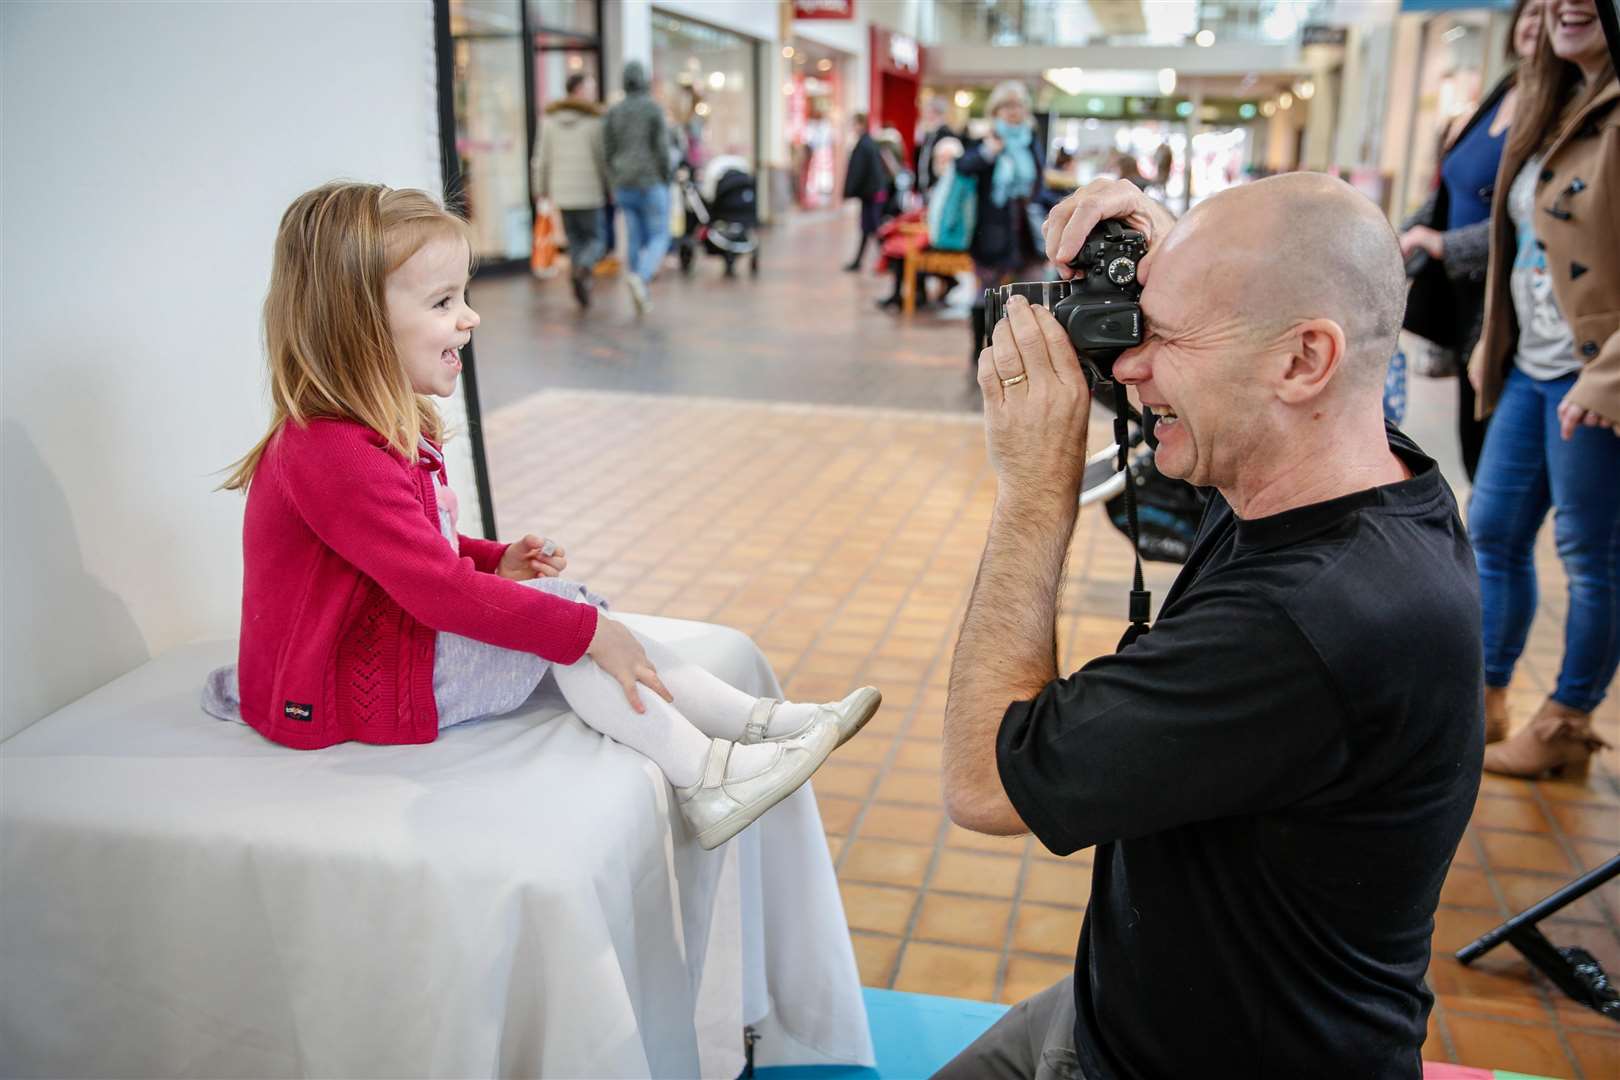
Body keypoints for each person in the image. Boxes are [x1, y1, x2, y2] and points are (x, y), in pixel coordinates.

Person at [936, 173, 1482, 1077]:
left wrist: (1034, 488)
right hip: (1120, 1010)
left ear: (1304, 360)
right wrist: (1170, 259)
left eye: (1171, 335)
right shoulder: (1354, 476)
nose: (1131, 364)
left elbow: (983, 782)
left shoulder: (1311, 623)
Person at [207, 182, 881, 850]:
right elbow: (434, 589)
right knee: (572, 623)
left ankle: (759, 728)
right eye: (443, 302)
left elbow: (405, 551)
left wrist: (491, 559)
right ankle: (711, 769)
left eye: (463, 296)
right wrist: (581, 628)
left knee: (575, 621)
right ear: (357, 324)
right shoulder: (333, 452)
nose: (470, 316)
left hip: (371, 657)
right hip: (341, 690)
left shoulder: (360, 437)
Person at [1467, 0, 1619, 778]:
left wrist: (1610, 374)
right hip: (1532, 365)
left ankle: (1567, 725)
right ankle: (1486, 700)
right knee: (1490, 531)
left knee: (1592, 558)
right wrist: (1493, 344)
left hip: (1593, 374)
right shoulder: (1551, 100)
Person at [1399, 0, 1546, 480]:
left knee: (1492, 463)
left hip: (1506, 303)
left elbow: (1534, 216)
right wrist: (1400, 235)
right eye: (1532, 12)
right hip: (1462, 299)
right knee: (1472, 450)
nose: (1539, 24)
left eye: (1554, 12)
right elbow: (1451, 187)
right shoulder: (1504, 91)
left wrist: (1445, 245)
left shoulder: (1559, 108)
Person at [957, 81, 1053, 365]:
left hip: (1026, 231)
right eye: (1007, 105)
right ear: (996, 110)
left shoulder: (1030, 142)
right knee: (986, 292)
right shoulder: (986, 140)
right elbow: (963, 167)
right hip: (992, 230)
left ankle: (1022, 349)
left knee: (1029, 292)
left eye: (1019, 105)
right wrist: (989, 152)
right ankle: (982, 351)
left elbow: (1038, 186)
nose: (1014, 111)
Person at [532, 72, 609, 309]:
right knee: (597, 240)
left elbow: (540, 160)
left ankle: (580, 284)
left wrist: (540, 189)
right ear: (577, 90)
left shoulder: (549, 121)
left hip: (562, 193)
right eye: (590, 86)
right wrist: (609, 186)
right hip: (589, 191)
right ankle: (583, 269)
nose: (593, 91)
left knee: (575, 239)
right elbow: (602, 159)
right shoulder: (594, 122)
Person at [603, 60, 673, 315]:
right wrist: (666, 176)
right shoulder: (652, 109)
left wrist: (613, 179)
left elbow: (607, 150)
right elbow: (662, 149)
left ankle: (638, 283)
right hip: (650, 181)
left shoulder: (614, 111)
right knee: (659, 235)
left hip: (623, 183)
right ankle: (640, 278)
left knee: (634, 237)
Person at [842, 113, 886, 272]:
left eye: (854, 124)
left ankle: (888, 258)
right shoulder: (867, 143)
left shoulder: (864, 144)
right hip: (871, 193)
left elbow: (858, 171)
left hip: (872, 193)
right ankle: (859, 261)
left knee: (873, 227)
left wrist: (848, 191)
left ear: (861, 124)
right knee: (867, 228)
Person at [914, 97, 959, 196]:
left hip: (937, 189)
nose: (925, 116)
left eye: (928, 112)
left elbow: (946, 166)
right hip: (925, 187)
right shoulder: (929, 134)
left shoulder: (946, 134)